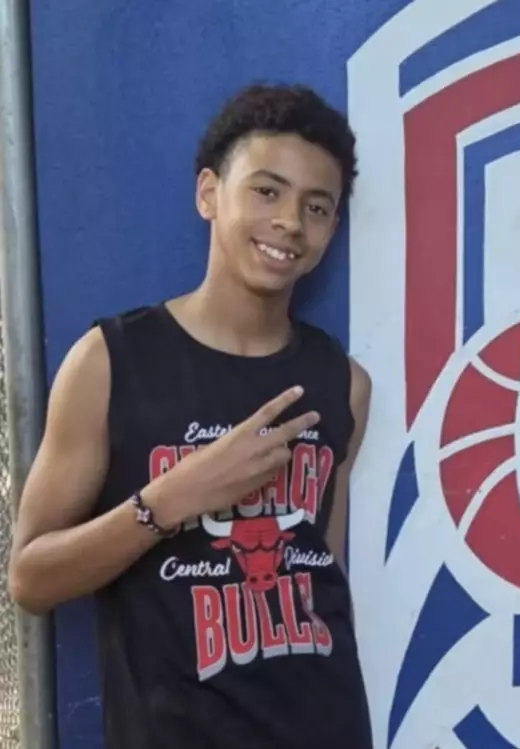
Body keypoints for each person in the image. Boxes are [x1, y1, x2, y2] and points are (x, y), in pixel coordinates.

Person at [7, 83, 375, 748]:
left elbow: (325, 572)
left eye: (316, 206)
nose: (290, 221)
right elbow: (31, 578)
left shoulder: (342, 382)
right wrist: (170, 500)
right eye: (266, 191)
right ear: (209, 193)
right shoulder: (111, 362)